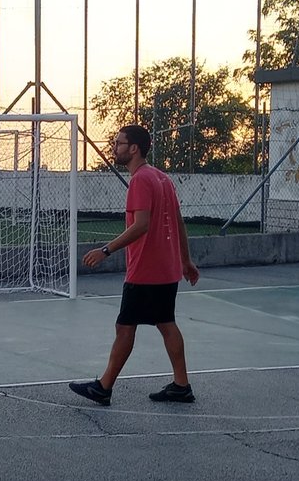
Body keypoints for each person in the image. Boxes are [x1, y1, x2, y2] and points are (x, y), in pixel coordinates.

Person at [68, 123, 200, 407]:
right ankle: (181, 385)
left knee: (125, 327)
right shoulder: (162, 178)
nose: (115, 148)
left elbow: (141, 225)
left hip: (145, 270)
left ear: (134, 148)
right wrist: (185, 260)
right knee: (166, 323)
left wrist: (106, 250)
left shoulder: (141, 180)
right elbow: (178, 222)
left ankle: (103, 387)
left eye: (119, 143)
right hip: (166, 269)